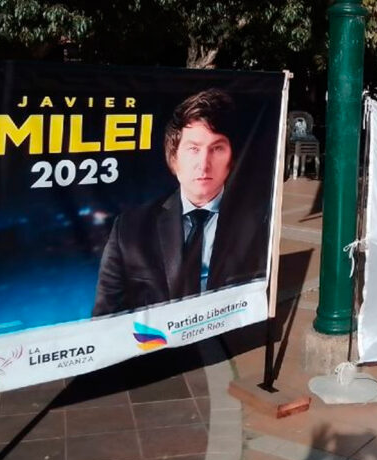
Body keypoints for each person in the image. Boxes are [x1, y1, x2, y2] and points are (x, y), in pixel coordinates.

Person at [91, 89, 269, 317]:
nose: (203, 164)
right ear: (174, 158)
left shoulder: (259, 222)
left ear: (232, 159)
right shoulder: (130, 229)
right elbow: (105, 316)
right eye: (193, 149)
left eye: (217, 148)